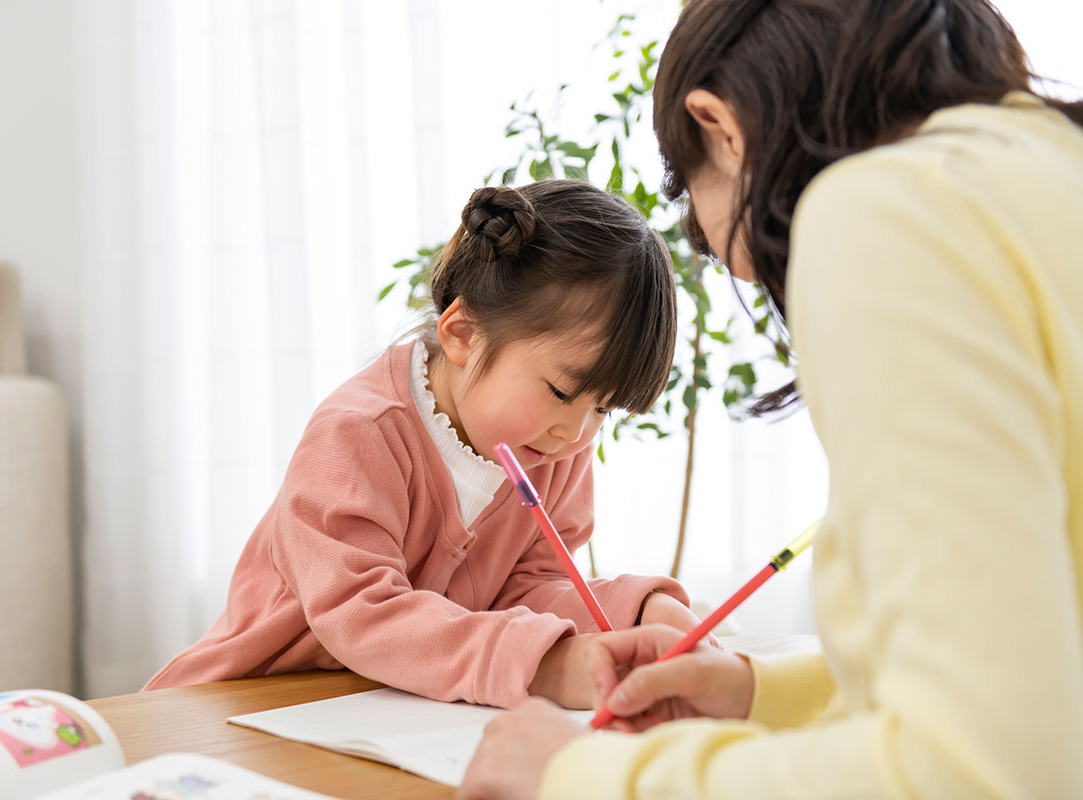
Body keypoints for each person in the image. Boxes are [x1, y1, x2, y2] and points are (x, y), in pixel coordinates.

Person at [460, 0, 1083, 797]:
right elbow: (1031, 661)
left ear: (719, 126)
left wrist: (588, 775)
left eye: (710, 229)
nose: (749, 273)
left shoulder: (886, 209)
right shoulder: (1047, 163)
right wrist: (762, 694)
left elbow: (972, 769)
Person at [144, 179, 703, 709]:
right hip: (240, 709)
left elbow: (530, 587)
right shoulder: (358, 434)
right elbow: (363, 615)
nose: (579, 433)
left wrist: (638, 612)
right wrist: (546, 666)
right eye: (562, 391)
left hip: (383, 713)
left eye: (604, 407)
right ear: (462, 334)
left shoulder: (554, 452)